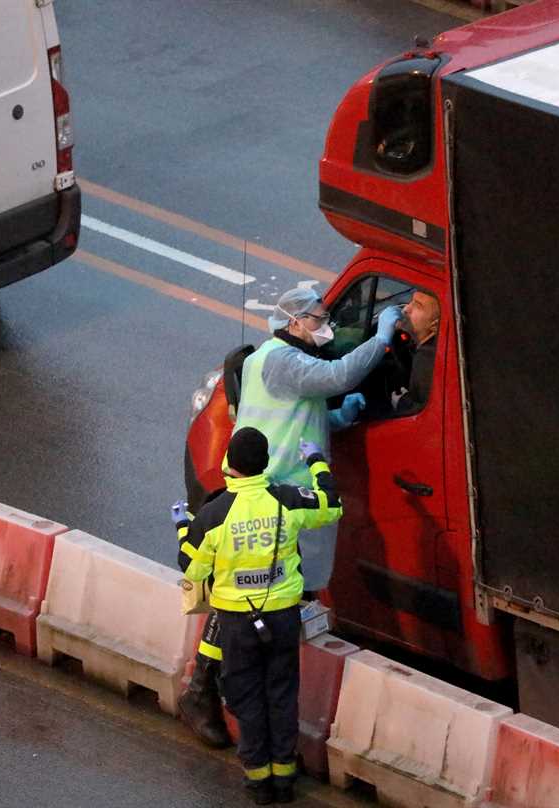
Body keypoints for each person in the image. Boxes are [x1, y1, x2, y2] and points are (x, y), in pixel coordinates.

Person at [175, 285, 402, 748]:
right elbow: (338, 374)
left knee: (254, 597)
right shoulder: (282, 359)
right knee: (241, 600)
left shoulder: (281, 362)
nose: (325, 324)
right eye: (318, 317)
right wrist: (381, 337)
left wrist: (338, 419)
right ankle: (203, 690)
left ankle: (212, 689)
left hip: (274, 494)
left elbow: (297, 417)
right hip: (267, 496)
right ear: (294, 322)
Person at [180, 427, 342, 805]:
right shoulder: (287, 500)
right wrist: (316, 461)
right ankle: (285, 778)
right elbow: (331, 505)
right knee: (282, 695)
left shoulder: (214, 514)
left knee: (247, 699)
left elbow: (191, 567)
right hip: (283, 618)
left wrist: (182, 529)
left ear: (229, 465)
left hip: (237, 625)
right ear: (265, 464)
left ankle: (259, 784)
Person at [391, 289, 440, 413]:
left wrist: (403, 404)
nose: (406, 309)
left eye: (418, 306)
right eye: (411, 301)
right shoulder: (432, 348)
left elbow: (427, 414)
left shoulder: (427, 361)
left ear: (434, 325)